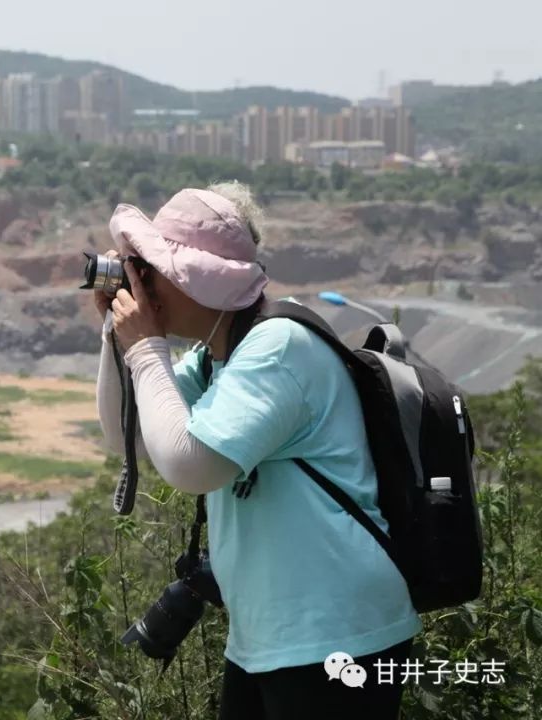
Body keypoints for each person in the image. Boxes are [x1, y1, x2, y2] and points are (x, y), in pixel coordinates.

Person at [94, 183, 421, 720]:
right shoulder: (219, 356)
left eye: (150, 267)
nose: (142, 280)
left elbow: (189, 465)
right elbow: (127, 436)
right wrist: (117, 336)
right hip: (272, 635)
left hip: (336, 633)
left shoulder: (278, 347)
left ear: (194, 278)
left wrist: (147, 349)